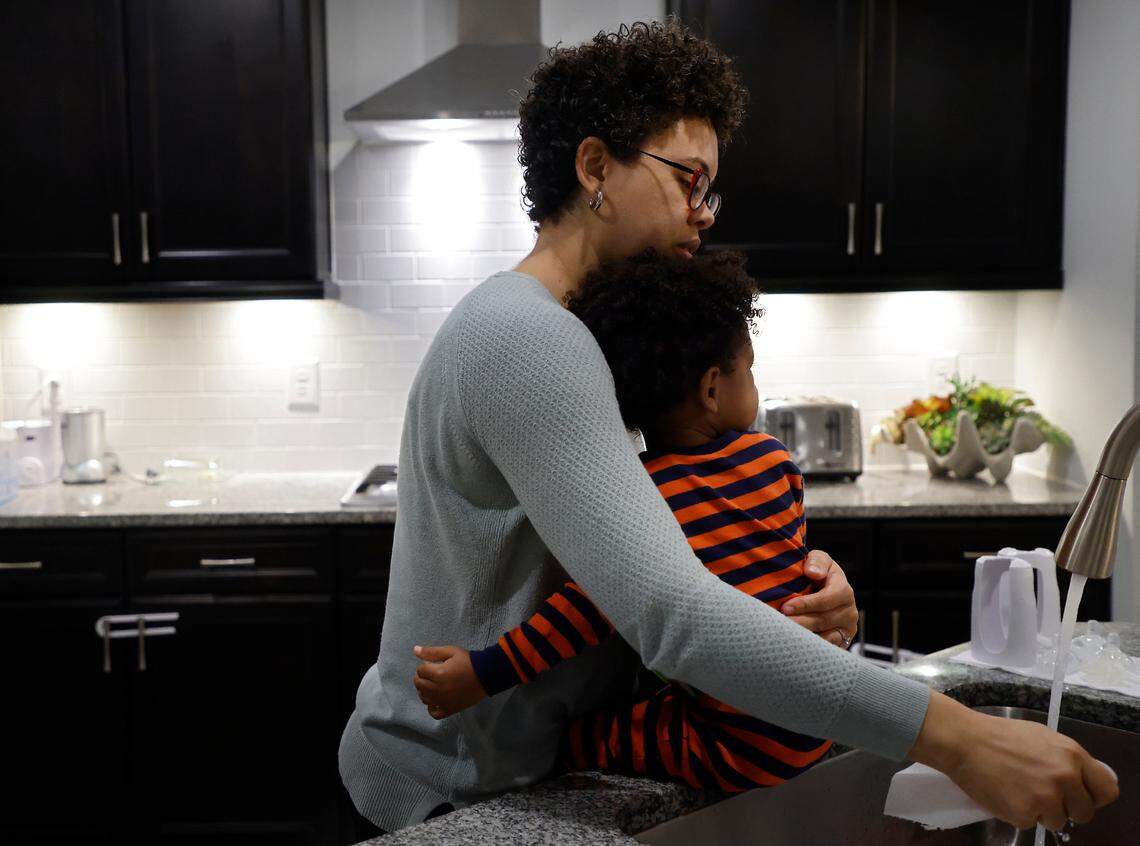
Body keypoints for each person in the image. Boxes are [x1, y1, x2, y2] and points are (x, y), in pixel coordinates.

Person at [339, 19, 1118, 834]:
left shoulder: (595, 336)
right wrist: (961, 741)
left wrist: (807, 596)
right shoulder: (529, 339)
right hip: (446, 787)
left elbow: (660, 565)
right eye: (689, 179)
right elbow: (671, 614)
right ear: (596, 167)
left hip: (517, 769)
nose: (704, 212)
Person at [413, 249, 838, 793]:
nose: (754, 385)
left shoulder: (641, 493)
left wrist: (485, 673)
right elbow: (794, 573)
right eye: (749, 369)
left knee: (582, 740)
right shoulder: (777, 464)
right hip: (820, 712)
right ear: (711, 390)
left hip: (737, 747)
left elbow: (586, 609)